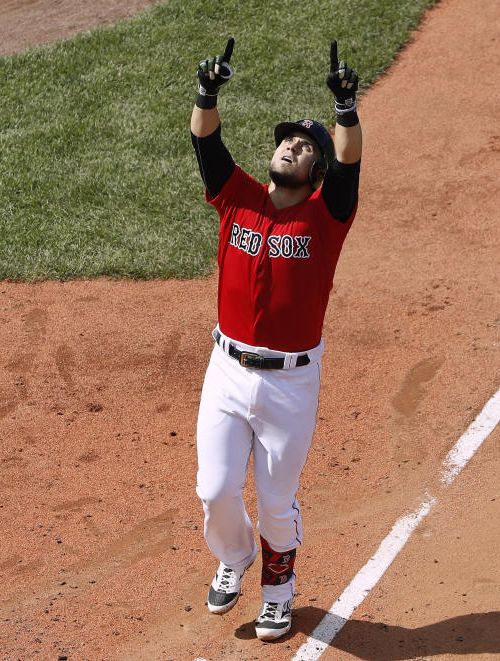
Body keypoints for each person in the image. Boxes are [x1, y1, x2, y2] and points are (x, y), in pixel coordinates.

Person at [190, 37, 362, 641]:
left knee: (277, 501)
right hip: (228, 371)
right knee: (213, 489)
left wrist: (345, 111)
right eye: (287, 139)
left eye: (305, 146)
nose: (292, 145)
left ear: (315, 170)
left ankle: (279, 593)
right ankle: (235, 556)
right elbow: (205, 142)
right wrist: (207, 92)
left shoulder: (325, 217)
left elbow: (349, 166)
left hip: (290, 382)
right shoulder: (237, 199)